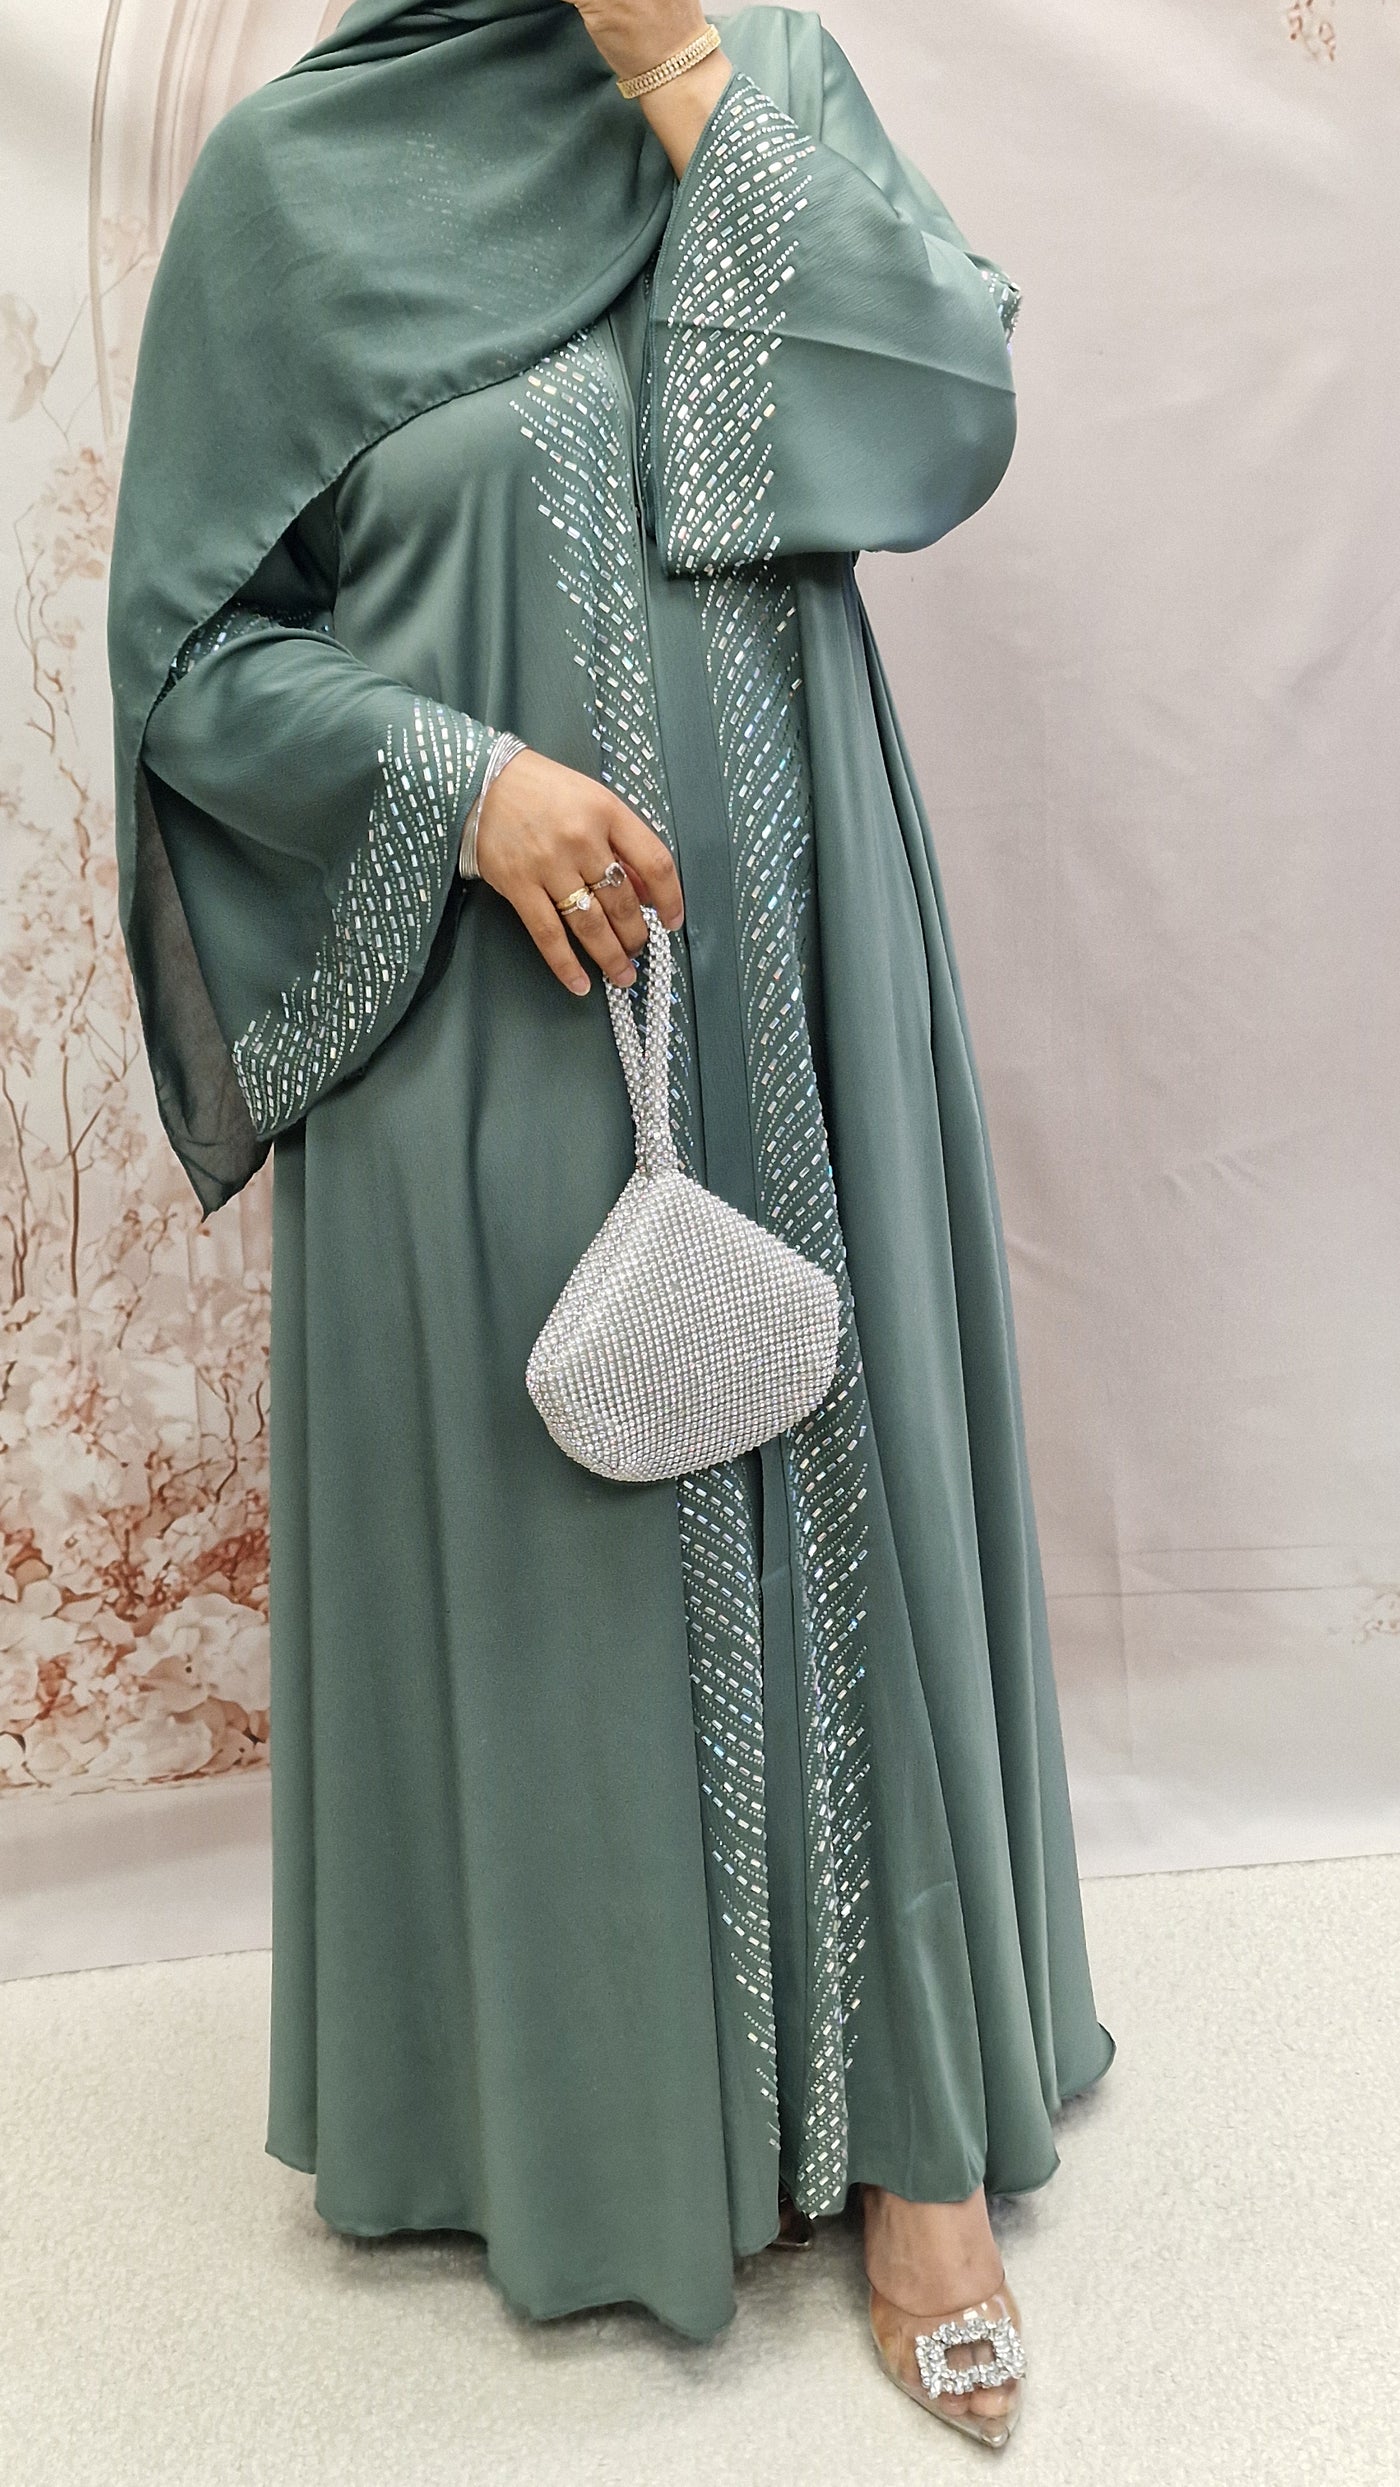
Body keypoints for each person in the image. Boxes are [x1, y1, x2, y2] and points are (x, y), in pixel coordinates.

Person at [108, 0, 1115, 2450]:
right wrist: (455, 783)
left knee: (838, 1489)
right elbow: (191, 666)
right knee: (563, 1523)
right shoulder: (293, 188)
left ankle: (914, 2151)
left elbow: (931, 411)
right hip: (483, 1014)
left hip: (802, 967)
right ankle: (583, 2122)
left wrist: (680, 78)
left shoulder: (751, 73)